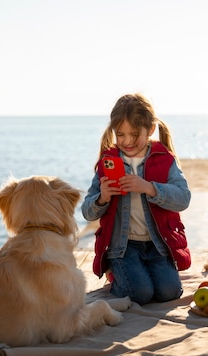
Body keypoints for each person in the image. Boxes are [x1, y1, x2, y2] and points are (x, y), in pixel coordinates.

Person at [81, 93, 191, 305]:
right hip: (123, 247)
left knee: (169, 292)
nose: (127, 141)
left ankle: (141, 272)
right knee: (141, 295)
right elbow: (87, 211)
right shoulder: (108, 162)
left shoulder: (164, 159)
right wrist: (102, 198)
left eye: (134, 134)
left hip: (157, 245)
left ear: (150, 130)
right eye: (120, 135)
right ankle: (116, 273)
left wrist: (150, 188)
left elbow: (183, 198)